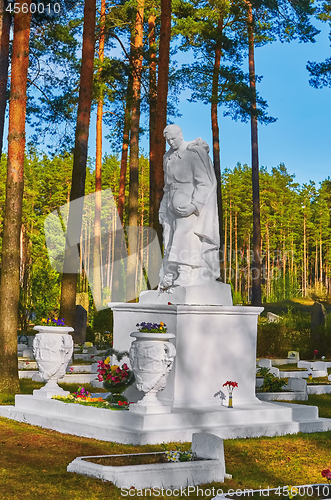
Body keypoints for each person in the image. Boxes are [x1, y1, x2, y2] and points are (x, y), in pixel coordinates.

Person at [158, 124, 220, 290]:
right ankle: (171, 272)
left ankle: (186, 271)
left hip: (189, 201)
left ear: (181, 135)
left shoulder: (193, 153)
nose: (170, 142)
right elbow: (167, 186)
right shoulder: (168, 157)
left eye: (173, 138)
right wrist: (163, 208)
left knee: (184, 236)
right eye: (167, 140)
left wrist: (194, 205)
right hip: (171, 201)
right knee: (169, 237)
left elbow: (205, 182)